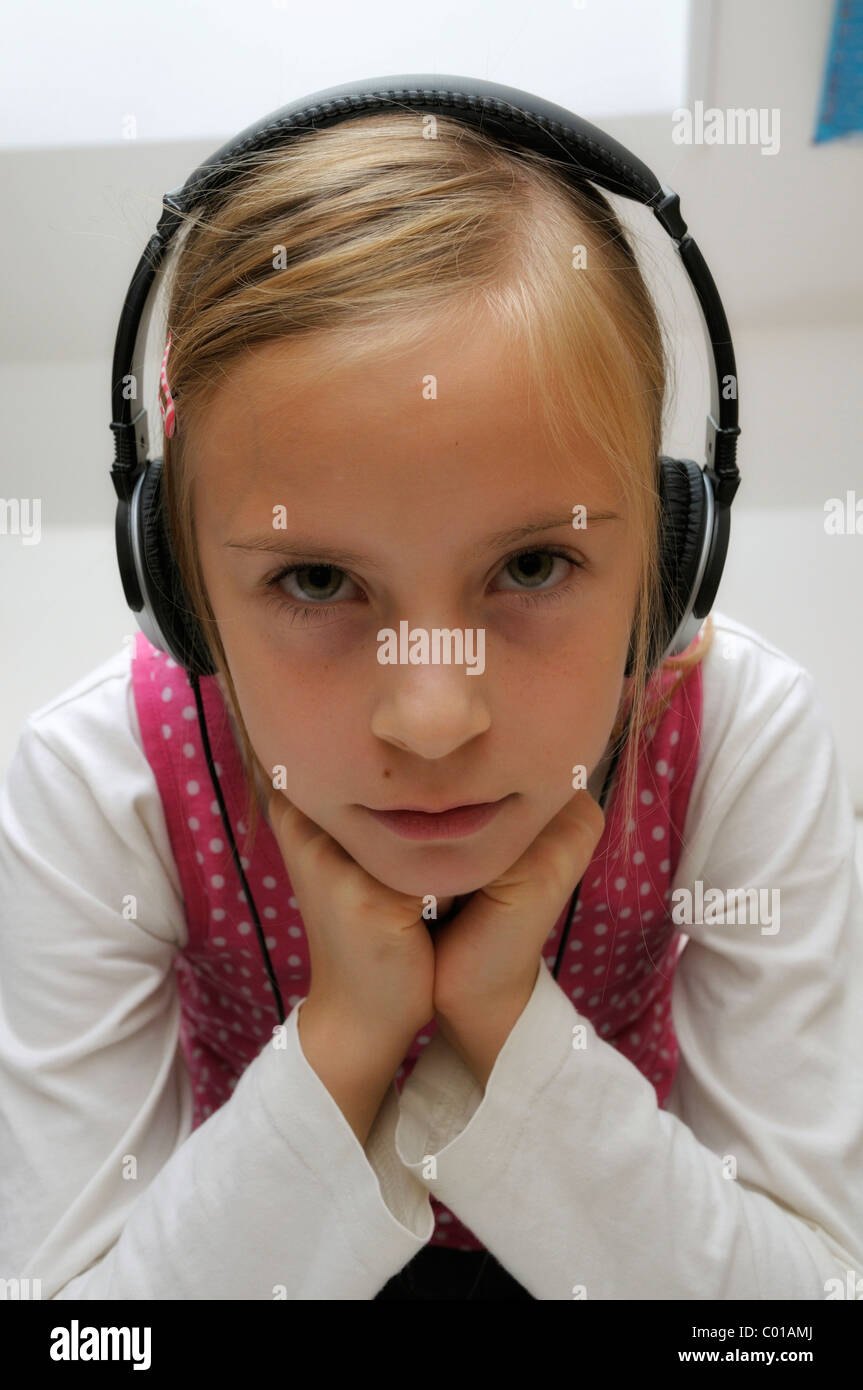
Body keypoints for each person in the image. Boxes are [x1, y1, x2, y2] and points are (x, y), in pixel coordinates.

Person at [1, 111, 861, 1301]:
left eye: (530, 567)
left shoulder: (737, 740)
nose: (431, 719)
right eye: (314, 580)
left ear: (672, 562)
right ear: (180, 590)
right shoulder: (98, 787)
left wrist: (502, 1014)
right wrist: (346, 1035)